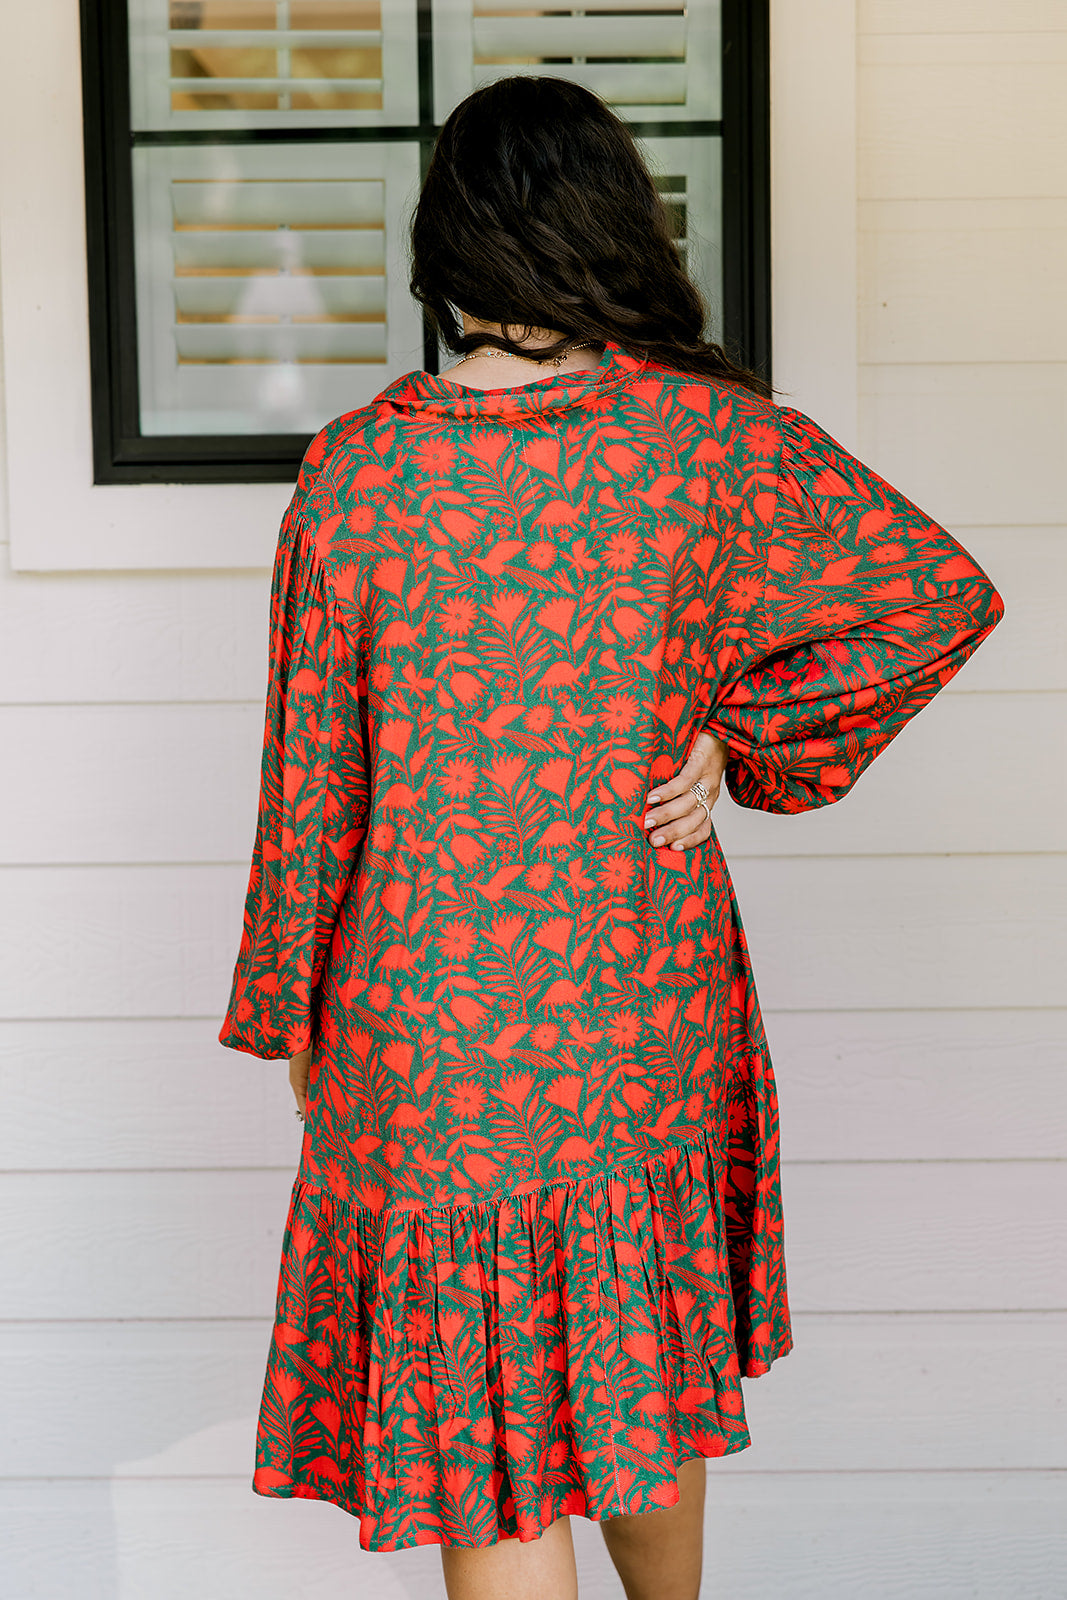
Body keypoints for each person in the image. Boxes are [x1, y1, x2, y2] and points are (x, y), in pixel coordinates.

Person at [219, 76, 1003, 1600]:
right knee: (631, 1364)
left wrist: (295, 1012)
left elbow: (310, 779)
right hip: (633, 998)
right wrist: (738, 732)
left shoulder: (358, 470)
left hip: (421, 1023)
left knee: (488, 1423)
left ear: (446, 242)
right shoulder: (710, 445)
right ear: (612, 227)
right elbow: (936, 596)